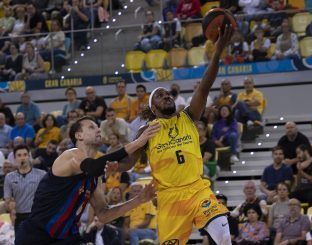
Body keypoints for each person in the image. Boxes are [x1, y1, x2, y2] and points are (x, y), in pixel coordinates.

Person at [131, 26, 234, 244]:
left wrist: (217, 53)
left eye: (168, 93)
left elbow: (205, 85)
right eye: (160, 95)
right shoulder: (146, 131)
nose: (166, 96)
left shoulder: (188, 116)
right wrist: (113, 165)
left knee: (224, 235)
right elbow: (129, 160)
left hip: (197, 190)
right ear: (153, 107)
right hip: (169, 198)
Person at [15, 116, 160, 244]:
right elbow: (94, 166)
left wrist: (139, 200)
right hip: (36, 234)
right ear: (79, 136)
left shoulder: (95, 177)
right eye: (91, 127)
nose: (98, 130)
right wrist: (138, 142)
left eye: (98, 127)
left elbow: (103, 215)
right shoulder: (70, 155)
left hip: (66, 237)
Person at [4, 145, 46, 234]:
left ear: (29, 157)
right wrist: (10, 206)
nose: (22, 158)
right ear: (15, 159)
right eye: (19, 155)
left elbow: (48, 195)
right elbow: (7, 199)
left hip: (37, 216)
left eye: (25, 155)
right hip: (19, 217)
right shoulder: (9, 177)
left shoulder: (41, 175)